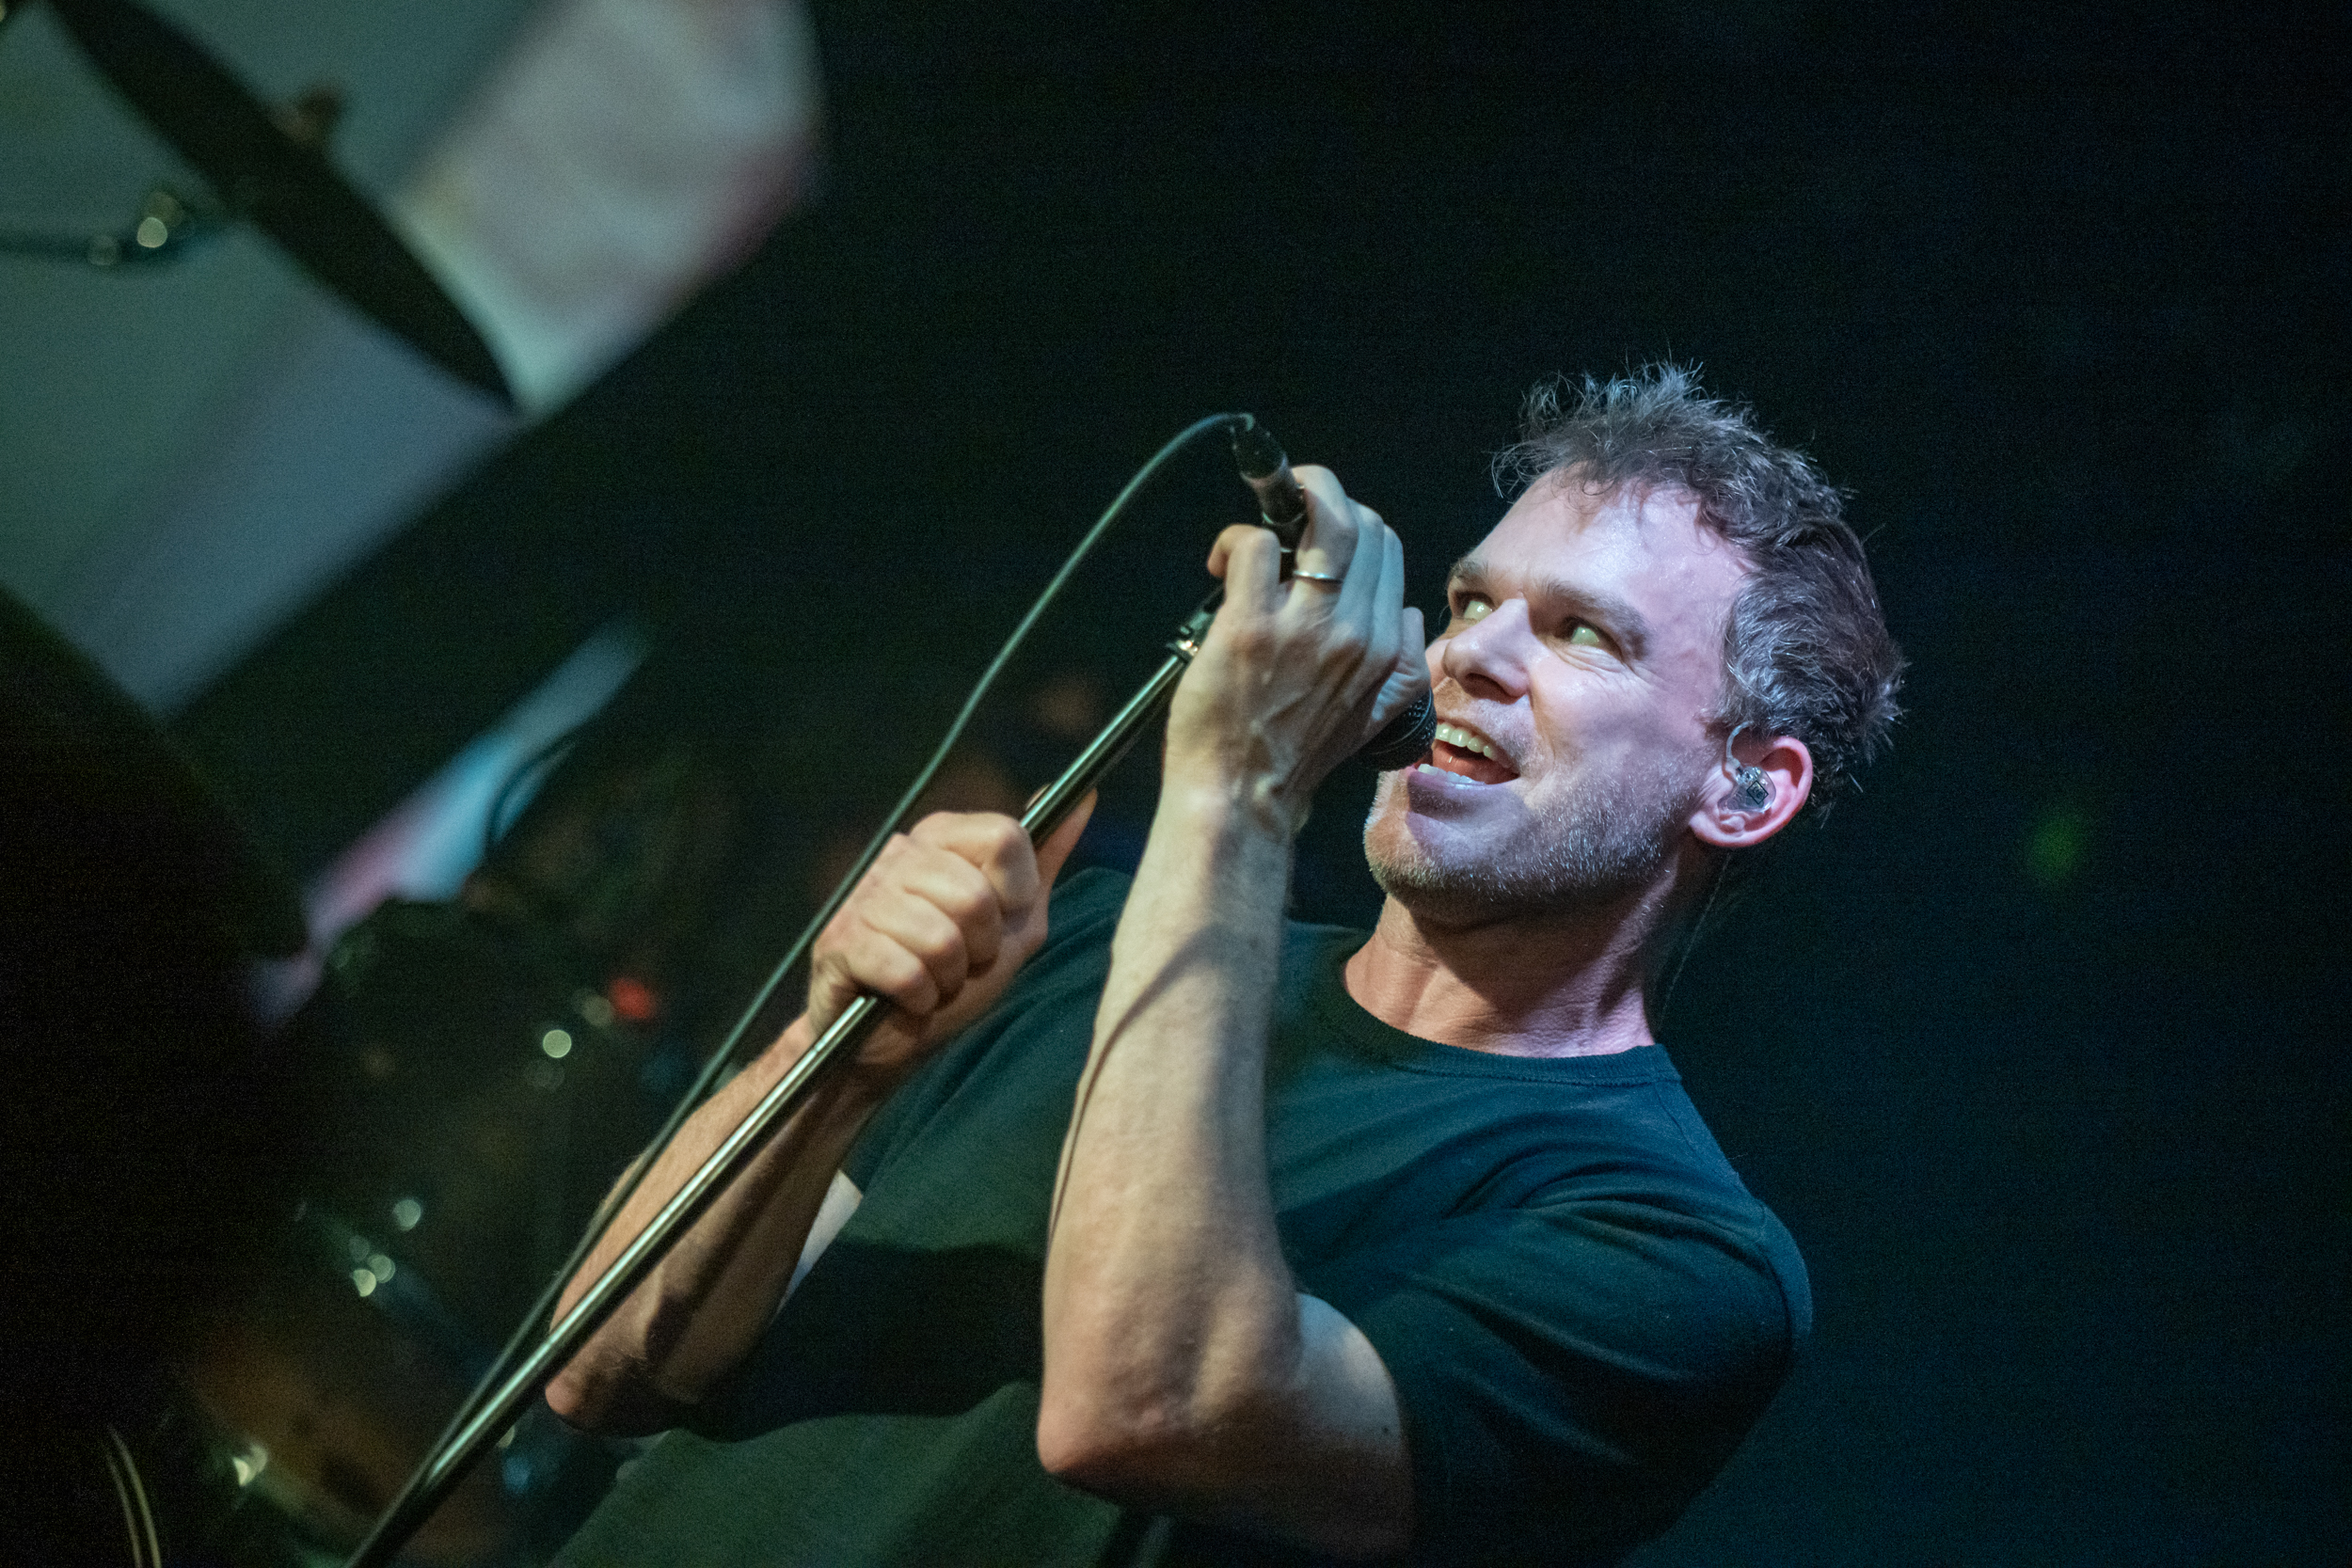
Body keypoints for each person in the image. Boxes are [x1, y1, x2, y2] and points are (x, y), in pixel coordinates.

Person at [546, 366, 1903, 1566]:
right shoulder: (1083, 943)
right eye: (1469, 601)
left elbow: (1144, 1408)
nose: (1469, 655)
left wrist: (1241, 785)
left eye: (1579, 633)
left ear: (1744, 786)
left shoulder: (1674, 1253)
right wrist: (829, 1061)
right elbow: (599, 1367)